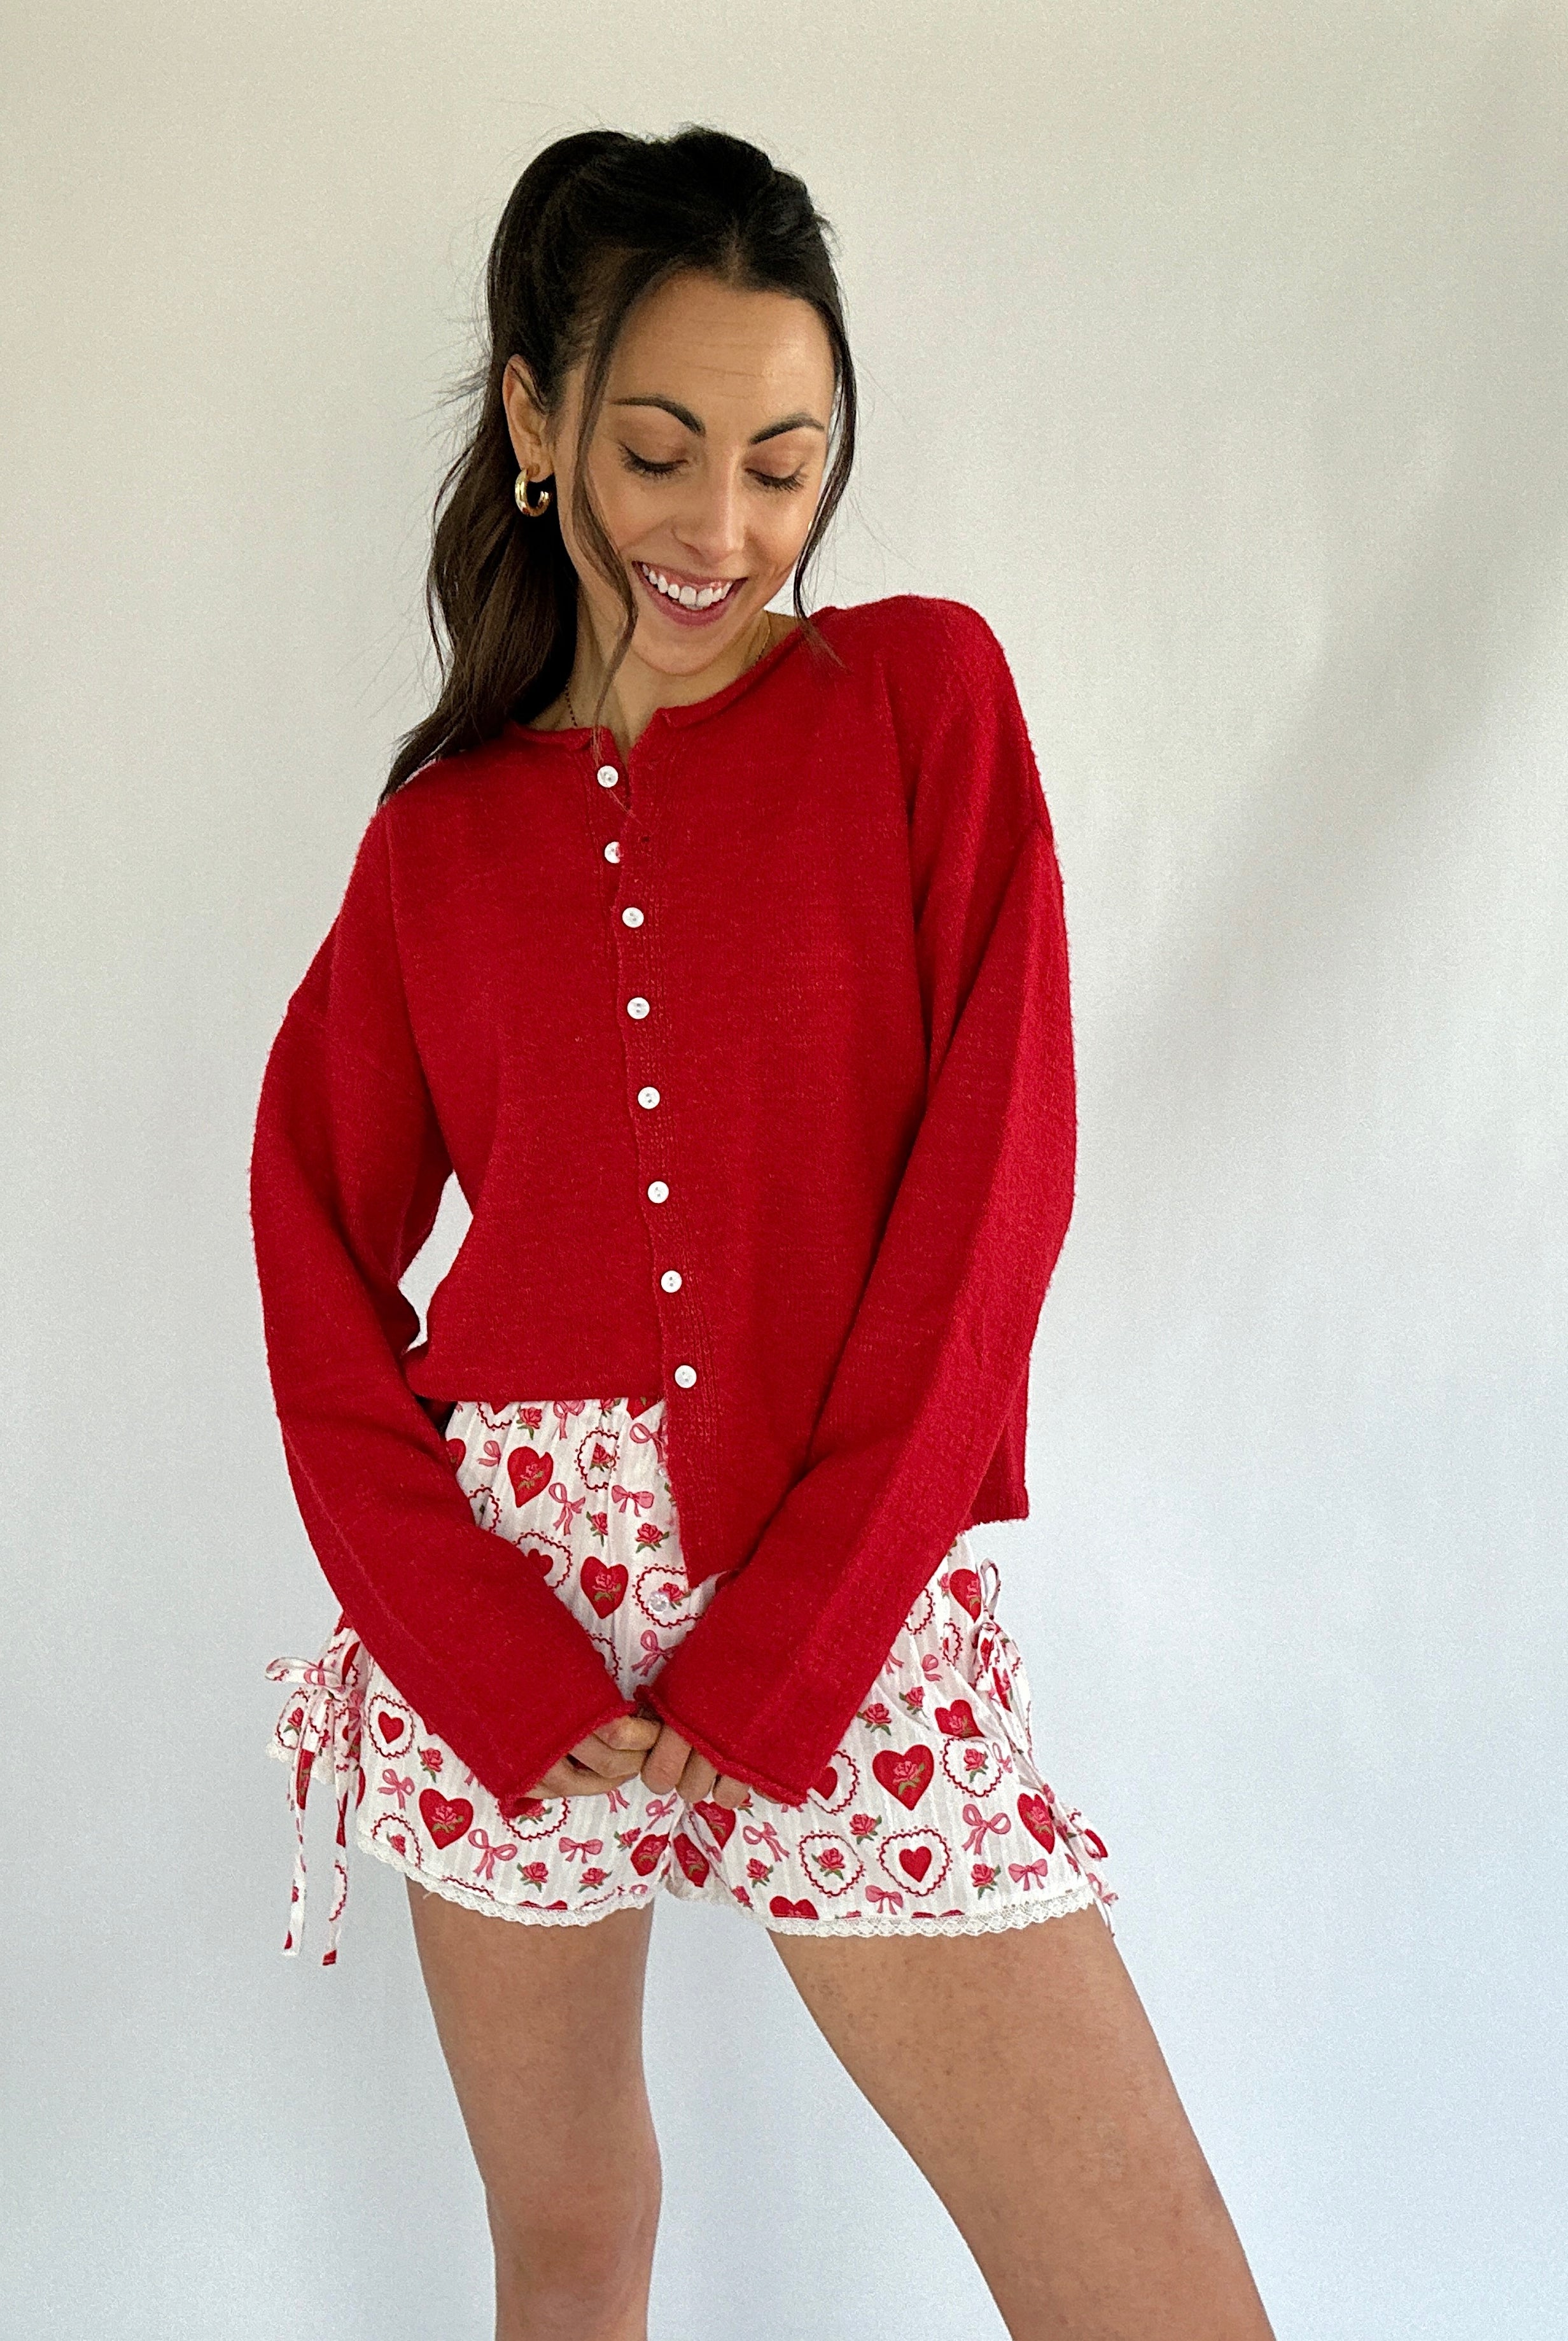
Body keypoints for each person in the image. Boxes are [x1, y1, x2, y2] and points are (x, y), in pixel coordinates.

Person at [251, 123, 1275, 2341]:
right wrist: (476, 1648)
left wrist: (798, 1635)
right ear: (535, 419)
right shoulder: (441, 842)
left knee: (1149, 2292)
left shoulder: (919, 702)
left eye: (786, 464)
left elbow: (995, 1197)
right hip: (504, 1616)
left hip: (843, 1587)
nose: (722, 526)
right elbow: (312, 1252)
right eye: (658, 450)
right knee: (569, 2245)